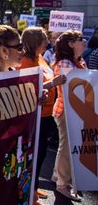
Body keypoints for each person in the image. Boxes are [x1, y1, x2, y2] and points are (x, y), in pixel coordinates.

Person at [19, 27, 67, 202]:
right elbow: (26, 88)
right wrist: (52, 84)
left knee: (42, 154)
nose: (47, 42)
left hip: (46, 115)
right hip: (34, 115)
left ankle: (34, 187)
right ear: (35, 42)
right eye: (44, 39)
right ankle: (29, 192)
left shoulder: (40, 59)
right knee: (34, 155)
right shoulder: (24, 61)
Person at [51, 30, 86, 201]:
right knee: (65, 148)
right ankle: (62, 185)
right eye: (80, 39)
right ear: (71, 44)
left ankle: (60, 178)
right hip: (66, 111)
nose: (84, 42)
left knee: (67, 148)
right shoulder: (65, 63)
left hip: (73, 111)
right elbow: (76, 87)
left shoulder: (76, 61)